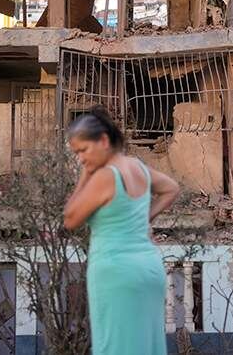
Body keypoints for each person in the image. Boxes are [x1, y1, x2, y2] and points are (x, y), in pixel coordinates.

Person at [63, 106, 181, 355]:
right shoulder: (137, 167)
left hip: (117, 272)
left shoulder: (105, 176)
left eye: (83, 150)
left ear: (103, 141)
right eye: (76, 154)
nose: (81, 159)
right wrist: (144, 218)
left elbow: (70, 219)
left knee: (116, 347)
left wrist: (85, 176)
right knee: (145, 347)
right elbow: (171, 188)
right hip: (149, 269)